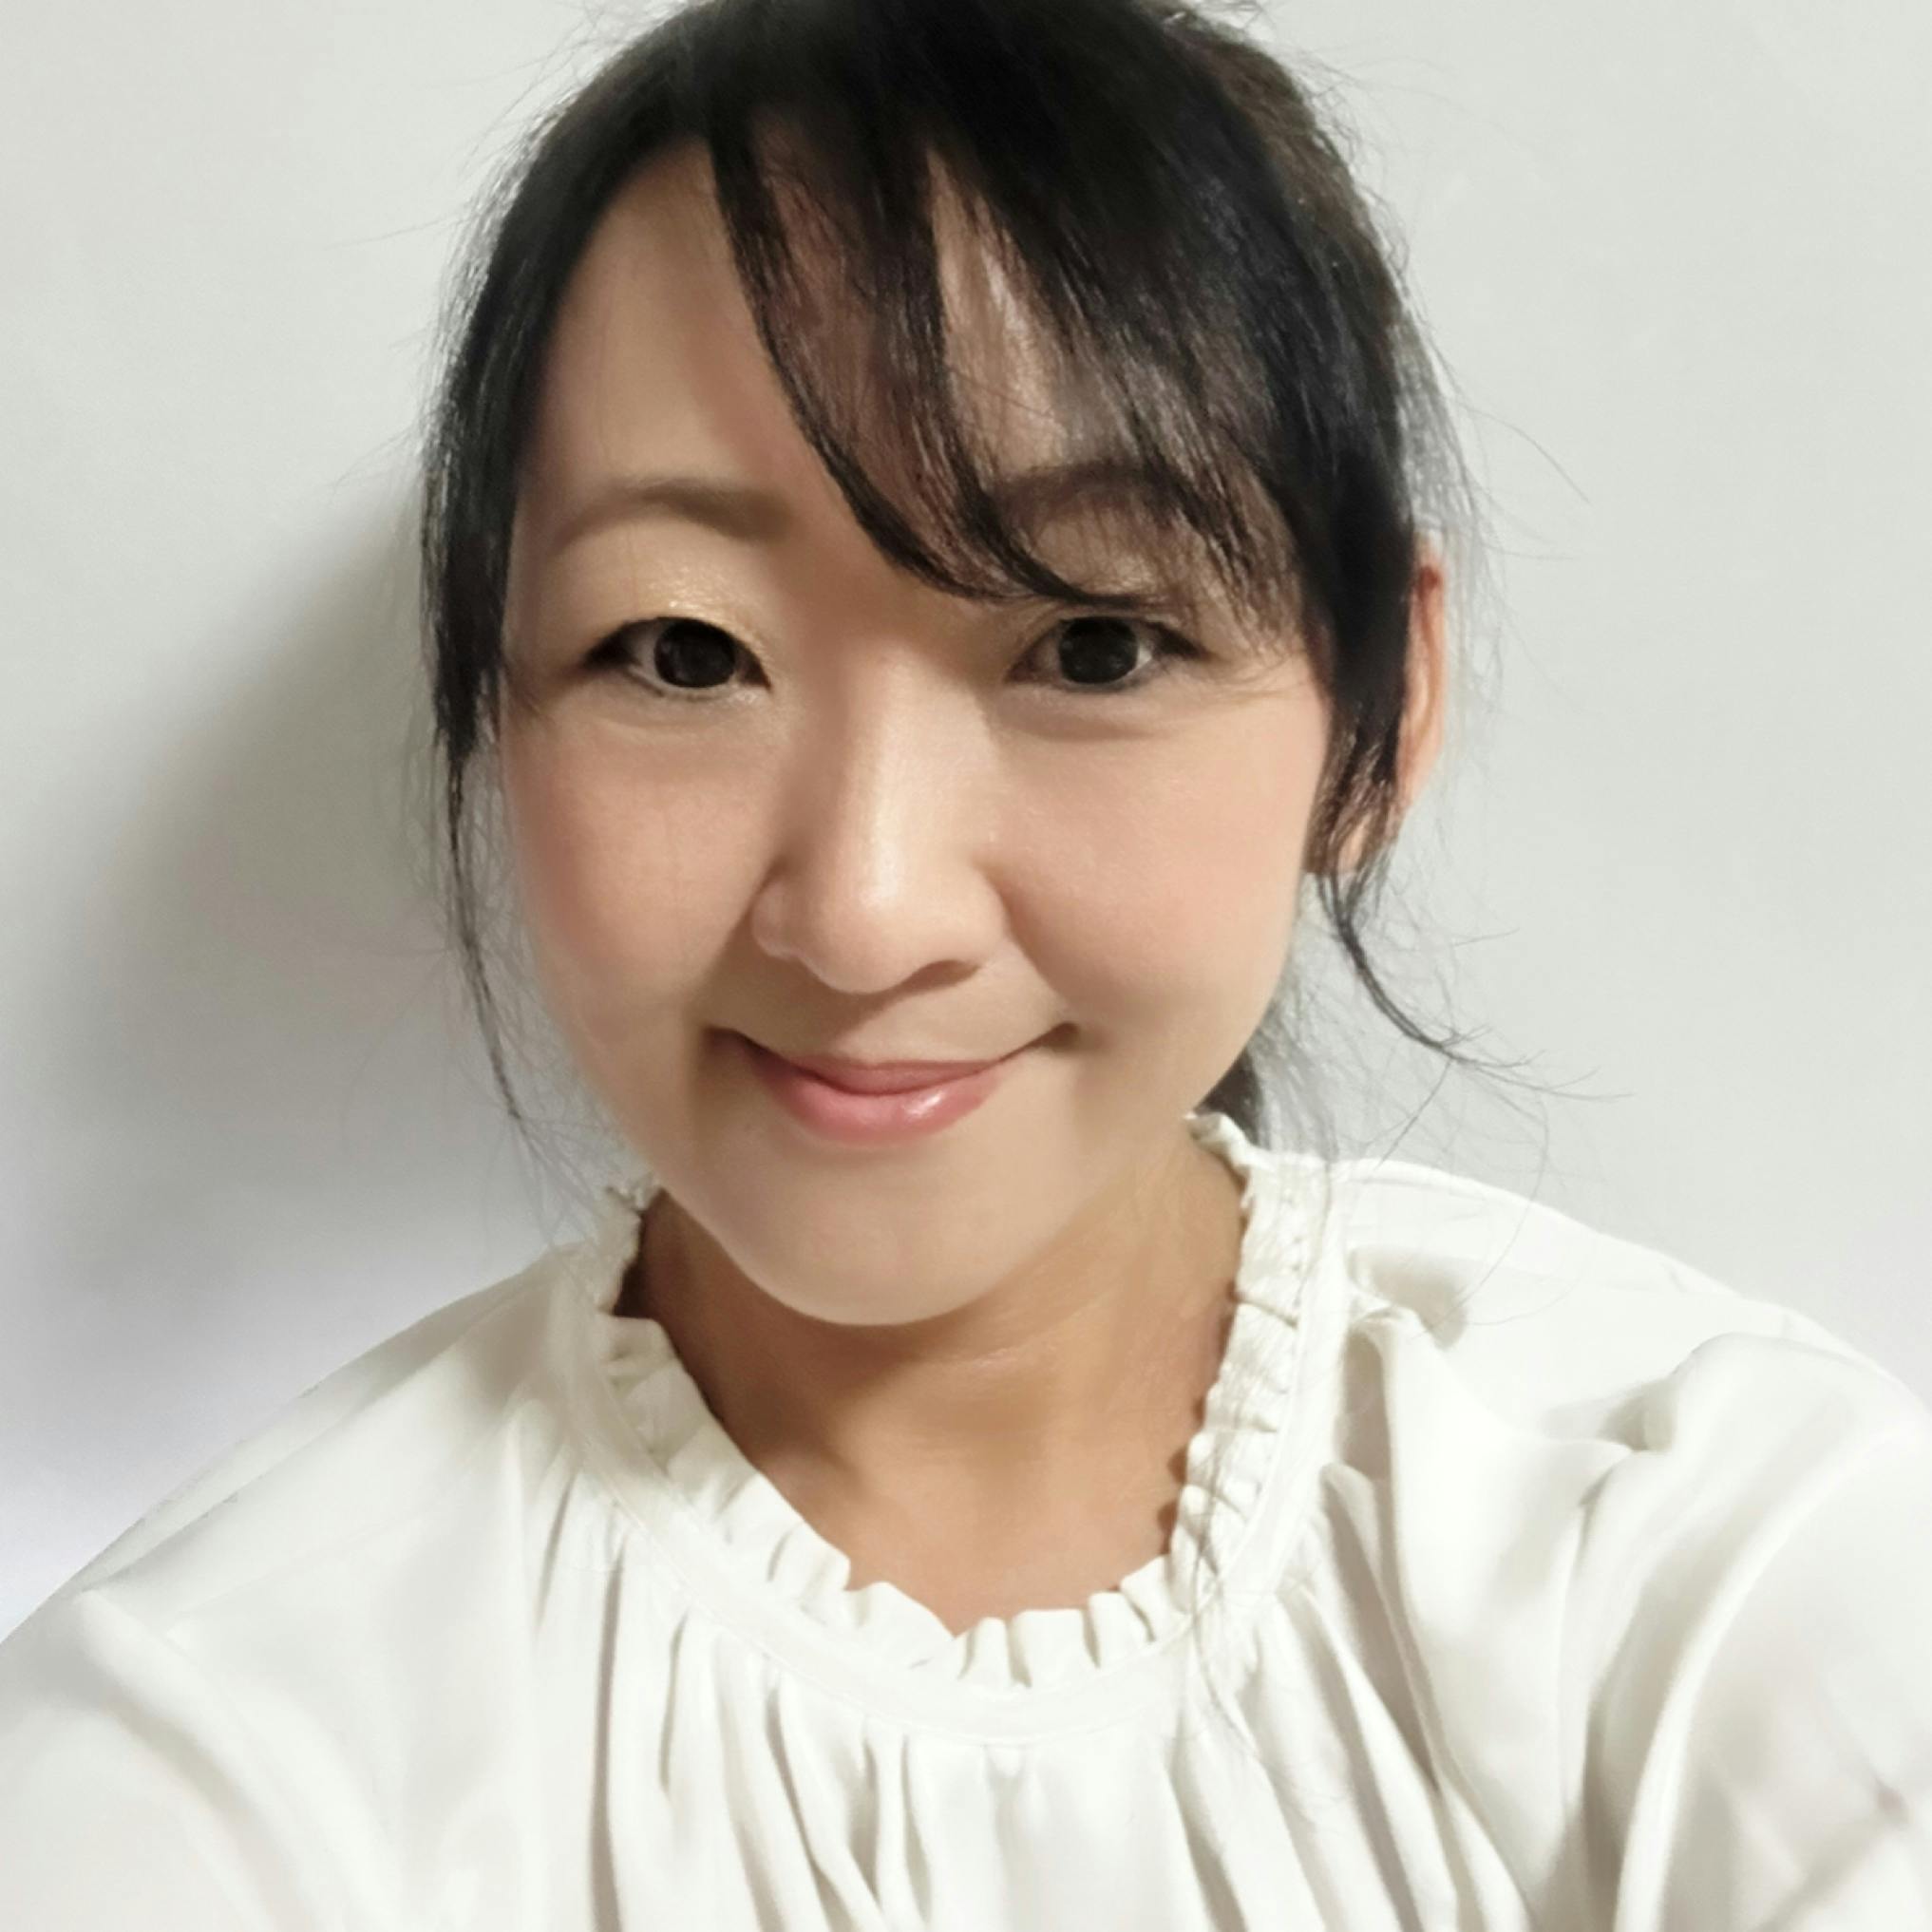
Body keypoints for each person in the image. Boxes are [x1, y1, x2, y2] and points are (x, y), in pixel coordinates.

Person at [3, 0, 1928, 1923]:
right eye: (683, 652)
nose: (863, 909)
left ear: (1378, 717)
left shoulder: (1720, 1554)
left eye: (1092, 645)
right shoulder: (212, 1747)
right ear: (499, 706)